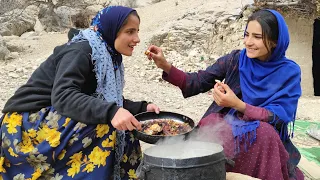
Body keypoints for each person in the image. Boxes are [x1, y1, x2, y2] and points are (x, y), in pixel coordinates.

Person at [0, 6, 160, 180]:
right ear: (112, 30)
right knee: (106, 126)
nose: (137, 39)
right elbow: (63, 96)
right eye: (130, 32)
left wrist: (141, 108)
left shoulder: (108, 53)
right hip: (29, 121)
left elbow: (103, 98)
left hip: (56, 111)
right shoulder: (81, 50)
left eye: (137, 31)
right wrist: (111, 112)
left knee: (126, 124)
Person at [146, 9, 304, 180]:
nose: (248, 42)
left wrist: (238, 104)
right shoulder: (236, 59)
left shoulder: (289, 71)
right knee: (211, 124)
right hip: (229, 124)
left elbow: (280, 116)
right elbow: (198, 81)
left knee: (264, 133)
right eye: (246, 34)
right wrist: (165, 65)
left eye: (257, 37)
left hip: (264, 133)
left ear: (275, 41)